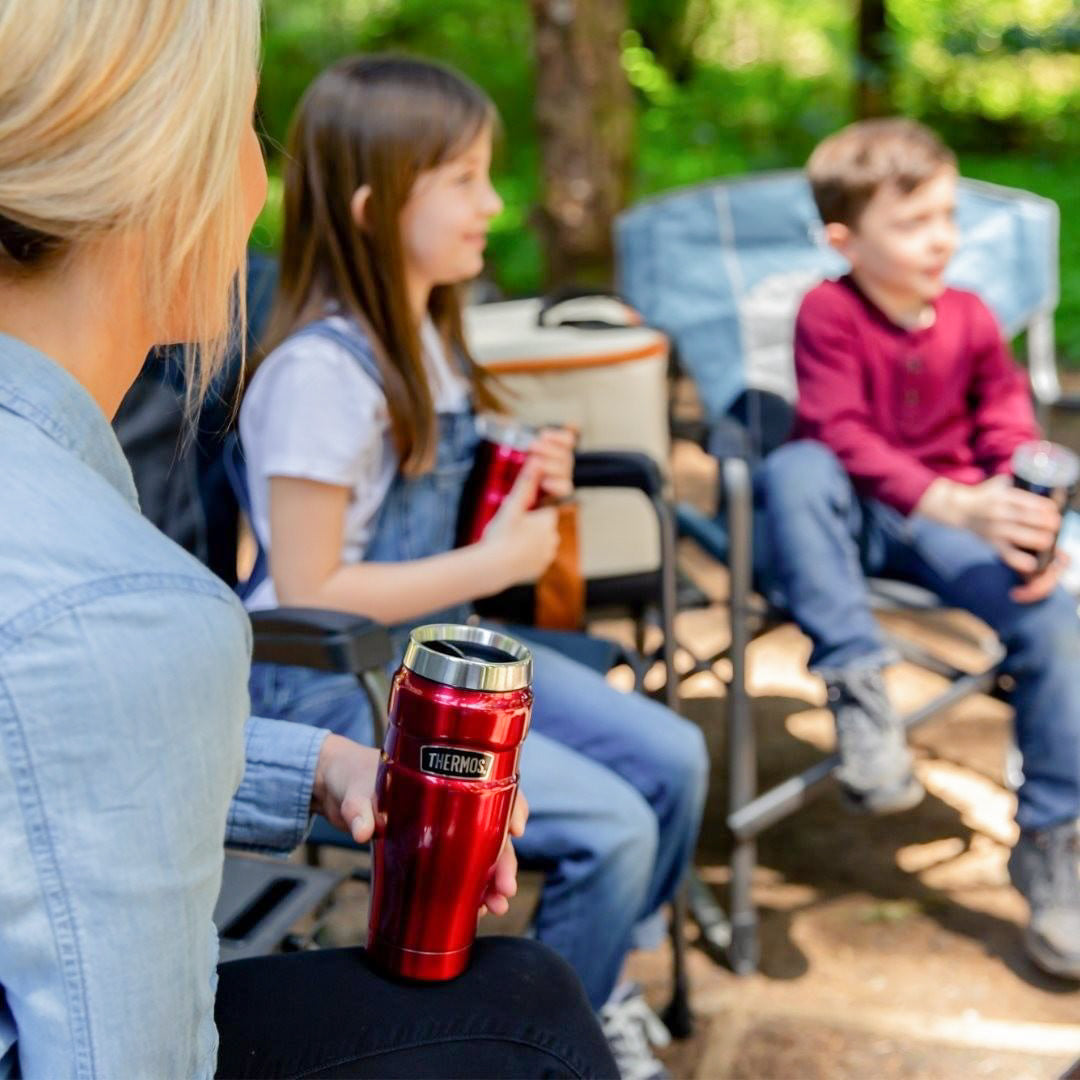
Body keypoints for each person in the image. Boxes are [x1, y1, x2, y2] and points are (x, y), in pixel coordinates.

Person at [0, 3, 619, 1077]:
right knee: (533, 1015)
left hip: (330, 704)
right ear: (162, 175)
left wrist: (318, 766)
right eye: (245, 126)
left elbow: (39, 764)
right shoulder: (115, 604)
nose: (262, 178)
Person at [238, 55, 708, 1078]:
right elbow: (313, 586)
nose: (495, 202)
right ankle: (520, 1043)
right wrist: (492, 556)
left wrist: (514, 476)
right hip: (332, 675)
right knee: (617, 828)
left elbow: (421, 505)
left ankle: (603, 985)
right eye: (464, 178)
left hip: (437, 656)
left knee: (674, 759)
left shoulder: (427, 339)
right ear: (372, 205)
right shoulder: (320, 372)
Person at [758, 118, 1080, 979]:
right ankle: (861, 696)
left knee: (1053, 621)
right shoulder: (828, 312)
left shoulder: (971, 316)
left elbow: (1006, 421)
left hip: (951, 524)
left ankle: (1053, 843)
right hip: (845, 523)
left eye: (945, 215)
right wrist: (954, 502)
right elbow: (841, 434)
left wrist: (1019, 502)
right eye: (911, 223)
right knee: (796, 465)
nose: (939, 237)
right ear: (844, 239)